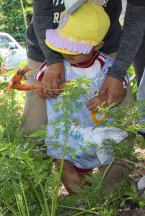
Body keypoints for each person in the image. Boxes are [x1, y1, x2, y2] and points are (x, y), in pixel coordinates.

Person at [33, 2, 129, 194]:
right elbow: (41, 87)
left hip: (96, 134)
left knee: (107, 163)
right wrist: (44, 90)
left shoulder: (107, 66)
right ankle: (80, 198)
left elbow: (121, 89)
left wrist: (103, 97)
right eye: (64, 46)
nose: (67, 53)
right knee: (66, 171)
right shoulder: (53, 66)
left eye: (74, 49)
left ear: (98, 45)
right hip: (65, 136)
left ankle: (101, 199)